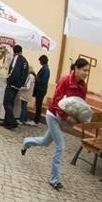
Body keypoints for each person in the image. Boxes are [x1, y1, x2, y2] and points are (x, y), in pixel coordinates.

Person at [21, 57, 90, 191]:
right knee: (61, 146)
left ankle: (26, 142)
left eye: (87, 71)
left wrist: (79, 118)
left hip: (64, 119)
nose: (86, 73)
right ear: (76, 69)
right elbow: (56, 102)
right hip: (53, 116)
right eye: (84, 70)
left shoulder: (83, 86)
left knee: (45, 142)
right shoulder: (65, 81)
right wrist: (66, 117)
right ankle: (55, 180)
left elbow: (81, 105)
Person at [0, 44, 29, 129]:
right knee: (10, 103)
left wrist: (9, 80)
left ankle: (12, 122)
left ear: (14, 51)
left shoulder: (17, 58)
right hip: (18, 86)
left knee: (6, 102)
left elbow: (14, 71)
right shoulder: (25, 61)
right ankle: (7, 121)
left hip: (12, 84)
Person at [34, 54, 50, 124]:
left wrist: (36, 78)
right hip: (41, 89)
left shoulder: (45, 69)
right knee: (38, 104)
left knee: (38, 105)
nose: (39, 62)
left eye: (40, 61)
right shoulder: (45, 68)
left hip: (41, 89)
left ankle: (36, 120)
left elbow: (43, 81)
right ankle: (36, 119)